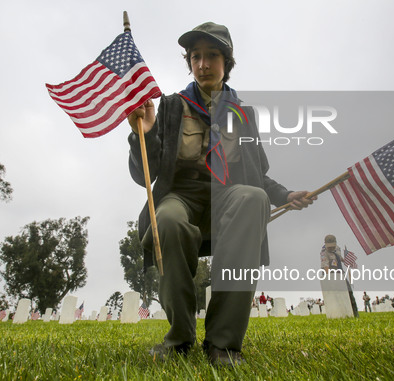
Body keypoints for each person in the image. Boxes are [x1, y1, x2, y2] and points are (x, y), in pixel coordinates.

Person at [127, 21, 312, 367]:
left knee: (253, 196)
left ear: (227, 63)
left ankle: (223, 344)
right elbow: (143, 175)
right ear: (189, 63)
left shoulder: (244, 114)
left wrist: (285, 195)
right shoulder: (168, 107)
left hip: (227, 194)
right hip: (181, 195)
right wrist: (143, 134)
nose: (203, 64)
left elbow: (258, 171)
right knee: (165, 220)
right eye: (195, 57)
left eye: (212, 56)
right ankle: (179, 338)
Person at [320, 234, 359, 317]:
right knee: (336, 296)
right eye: (329, 246)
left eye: (332, 246)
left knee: (349, 293)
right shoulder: (324, 253)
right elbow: (325, 266)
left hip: (340, 274)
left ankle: (354, 314)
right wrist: (330, 279)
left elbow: (338, 257)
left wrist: (345, 260)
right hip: (331, 275)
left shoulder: (337, 248)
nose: (331, 248)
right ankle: (338, 314)